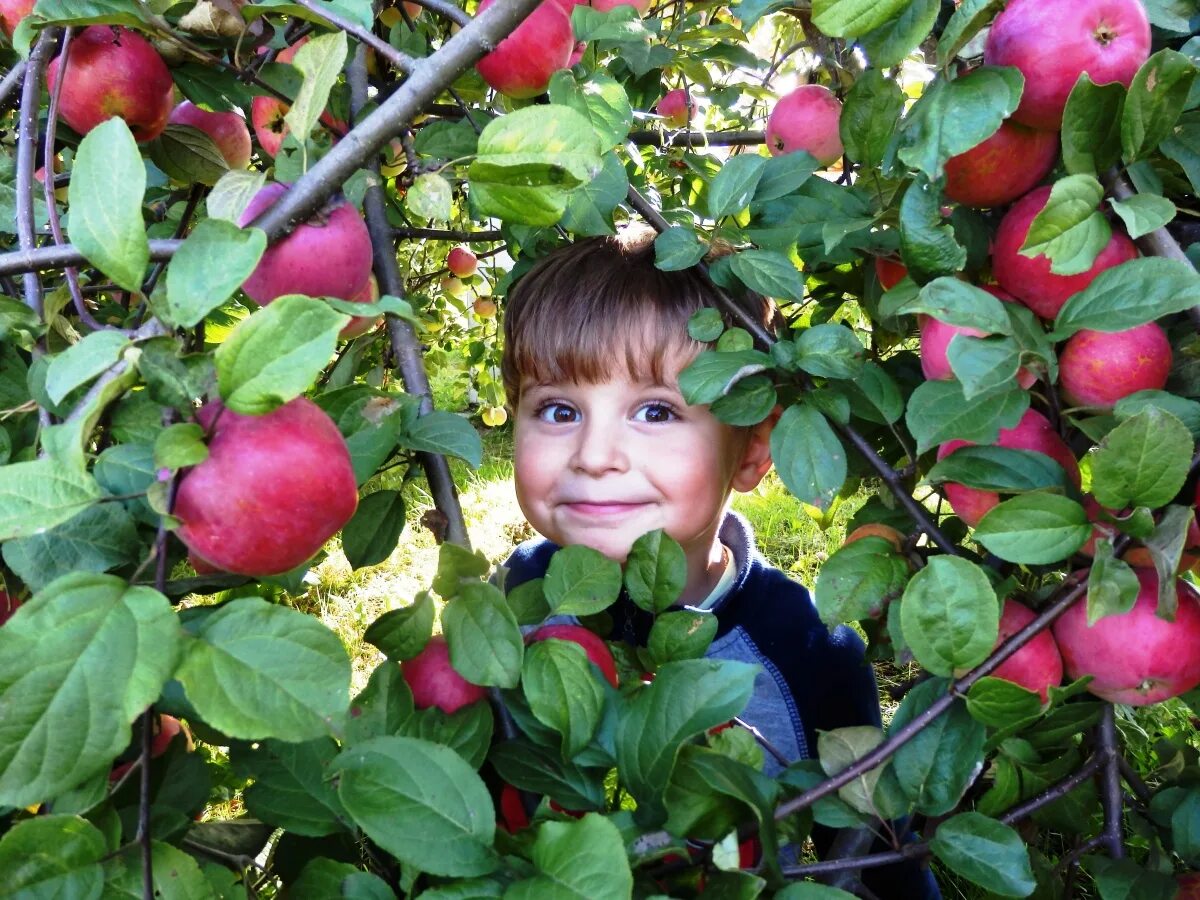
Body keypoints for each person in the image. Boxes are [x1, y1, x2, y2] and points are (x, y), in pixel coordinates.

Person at [497, 228, 940, 898]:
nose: (593, 455)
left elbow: (878, 859)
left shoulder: (808, 650)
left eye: (655, 410)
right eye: (558, 410)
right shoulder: (518, 594)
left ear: (754, 448)